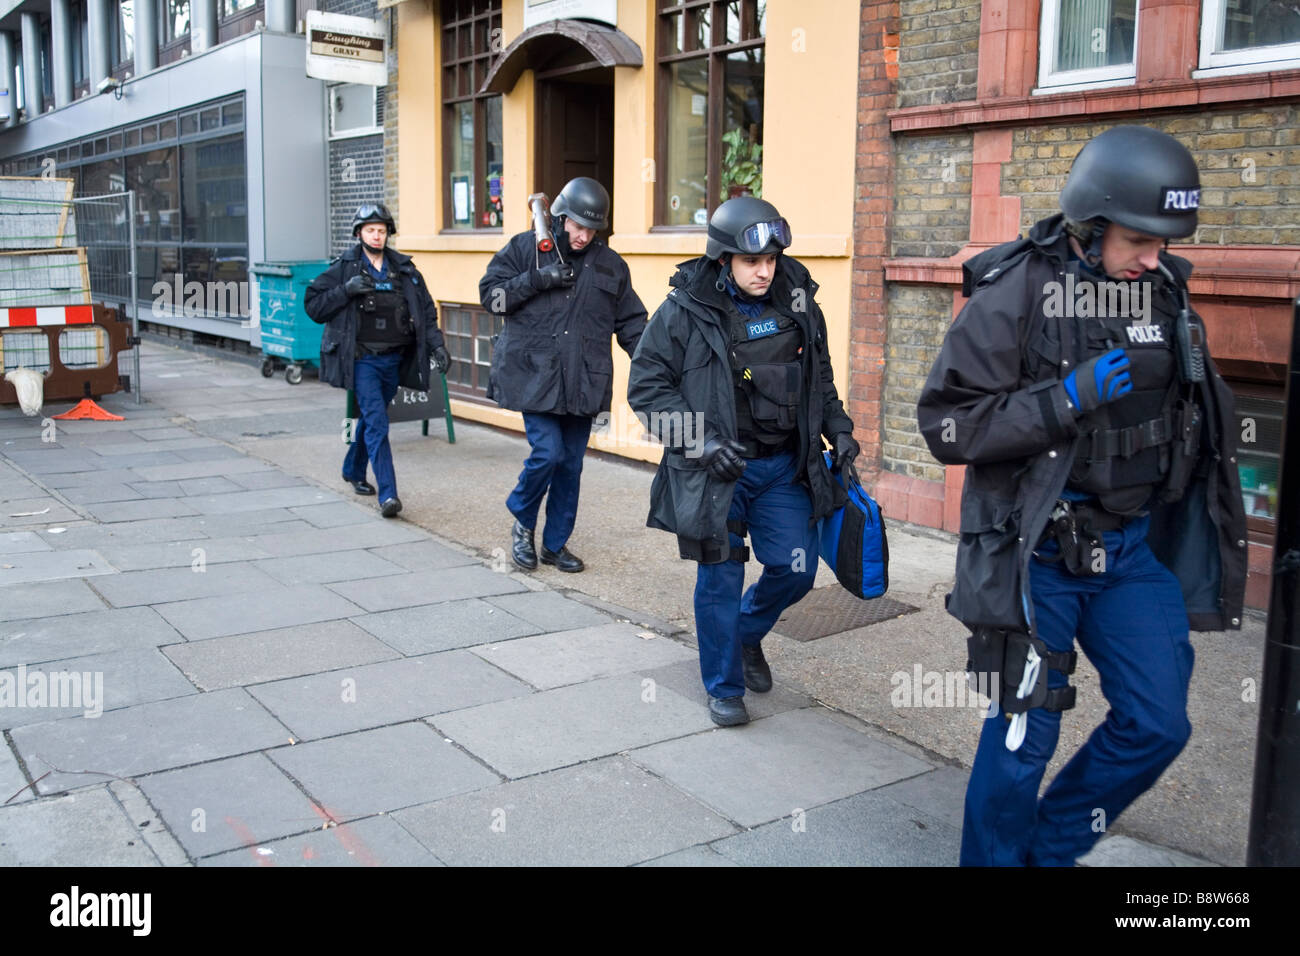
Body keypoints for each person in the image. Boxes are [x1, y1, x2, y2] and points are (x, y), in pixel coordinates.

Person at [916, 126, 1247, 866]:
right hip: (1039, 554)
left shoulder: (1161, 290)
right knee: (1022, 735)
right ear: (1091, 226)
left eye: (1164, 241)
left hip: (1128, 551)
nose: (1153, 257)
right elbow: (945, 425)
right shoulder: (1017, 292)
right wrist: (1061, 400)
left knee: (1159, 723)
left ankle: (1048, 850)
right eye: (1138, 239)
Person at [628, 197, 859, 727]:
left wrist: (839, 429)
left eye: (772, 260)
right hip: (717, 473)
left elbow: (819, 377)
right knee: (720, 580)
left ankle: (747, 635)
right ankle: (723, 685)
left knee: (796, 569)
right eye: (752, 261)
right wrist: (701, 443)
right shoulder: (683, 311)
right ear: (724, 259)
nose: (764, 271)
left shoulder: (798, 302)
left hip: (782, 466)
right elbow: (646, 388)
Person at [479, 177, 646, 572]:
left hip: (584, 380)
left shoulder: (611, 266)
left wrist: (654, 363)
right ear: (561, 217)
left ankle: (555, 545)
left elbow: (633, 323)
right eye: (577, 226)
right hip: (533, 377)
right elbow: (492, 297)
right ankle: (522, 520)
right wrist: (537, 280)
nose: (583, 235)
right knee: (548, 453)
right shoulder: (527, 249)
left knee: (570, 465)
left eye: (591, 229)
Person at [304, 202, 450, 518]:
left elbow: (425, 311)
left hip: (394, 359)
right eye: (370, 230)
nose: (376, 236)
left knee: (372, 419)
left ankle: (353, 470)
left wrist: (437, 346)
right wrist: (345, 290)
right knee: (378, 422)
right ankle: (388, 494)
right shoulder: (344, 267)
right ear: (359, 233)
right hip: (362, 361)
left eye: (381, 231)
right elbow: (314, 306)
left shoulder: (405, 270)